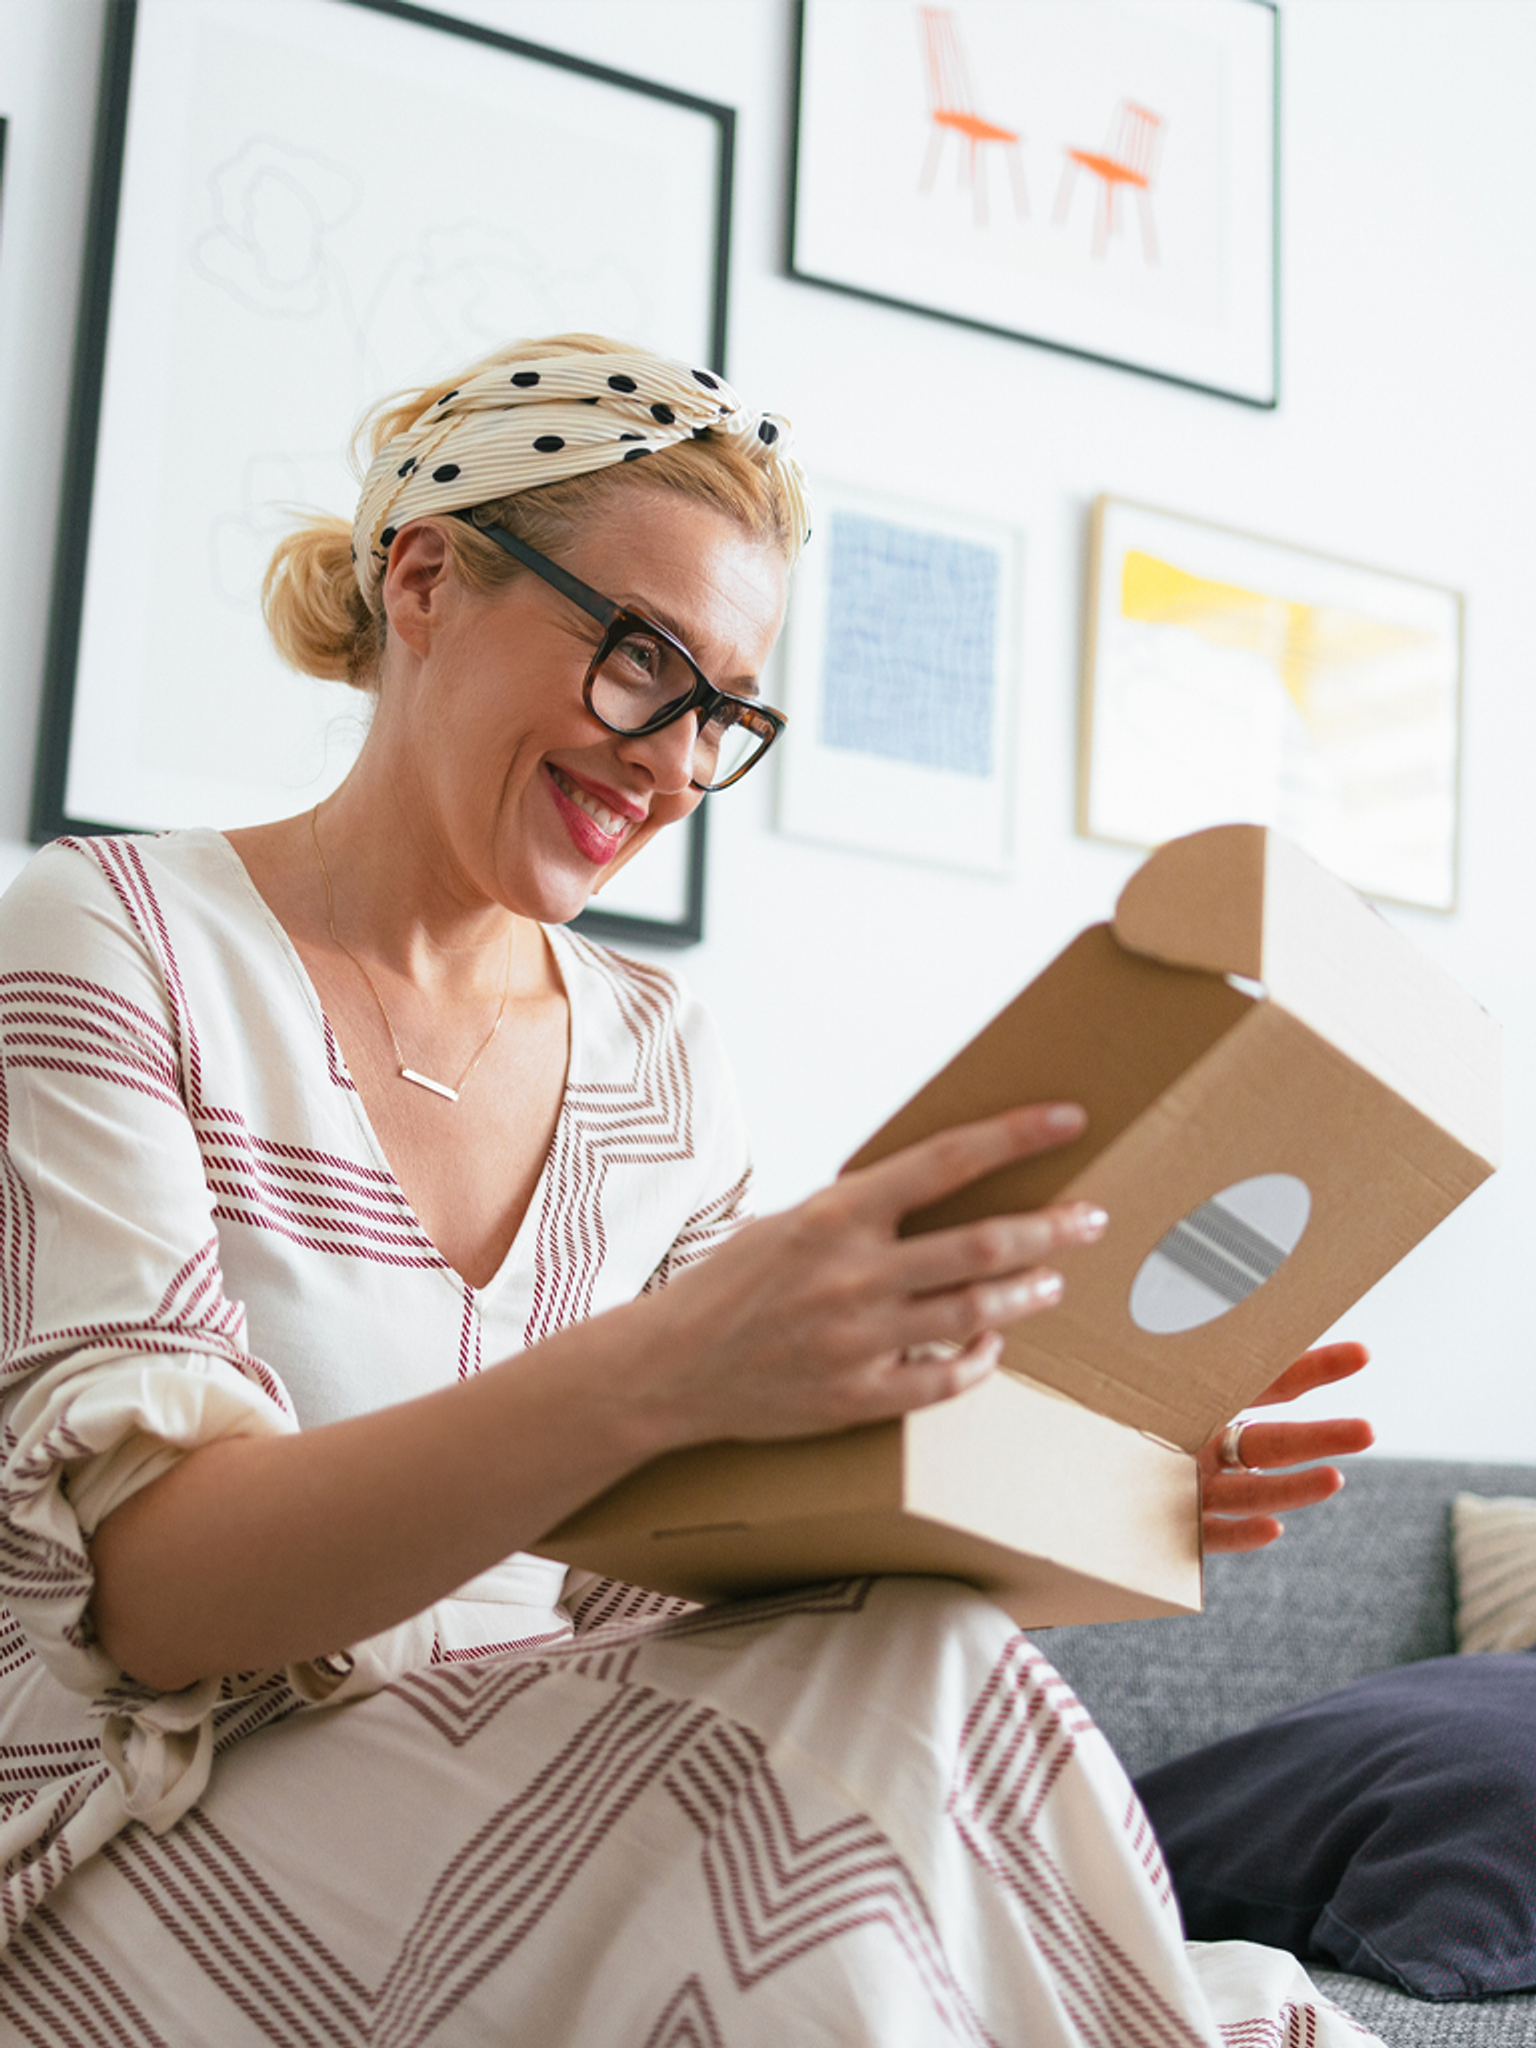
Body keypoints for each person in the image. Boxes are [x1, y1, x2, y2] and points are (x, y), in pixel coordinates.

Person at [0, 334, 1379, 2044]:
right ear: (426, 579)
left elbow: (702, 1586)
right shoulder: (103, 942)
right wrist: (665, 1368)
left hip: (538, 1775)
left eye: (723, 710)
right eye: (643, 662)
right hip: (157, 1816)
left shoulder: (661, 1057)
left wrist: (1094, 1469)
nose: (670, 764)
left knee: (924, 1685)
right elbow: (147, 1599)